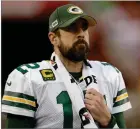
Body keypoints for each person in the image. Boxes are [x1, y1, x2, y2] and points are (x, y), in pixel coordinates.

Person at [2, 4, 132, 128]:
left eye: (84, 27)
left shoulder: (110, 74)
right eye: (72, 28)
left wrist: (108, 121)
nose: (81, 33)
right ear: (53, 38)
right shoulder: (27, 77)